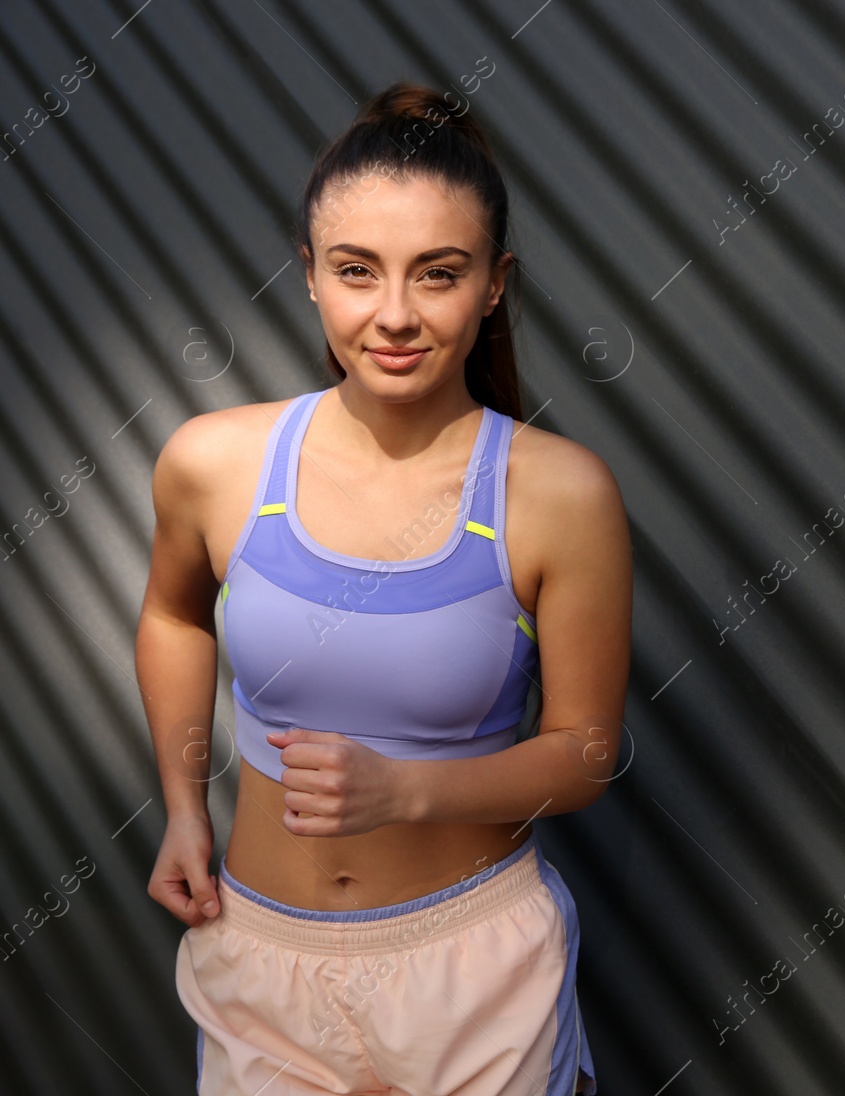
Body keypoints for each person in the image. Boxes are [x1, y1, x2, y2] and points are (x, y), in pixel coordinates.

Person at [135, 82, 630, 1095]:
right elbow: (174, 614)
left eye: (437, 275)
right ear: (311, 275)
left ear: (494, 285)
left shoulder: (560, 493)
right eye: (357, 271)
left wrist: (406, 788)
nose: (394, 315)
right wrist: (184, 805)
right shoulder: (213, 463)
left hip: (476, 969)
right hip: (256, 961)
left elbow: (586, 752)